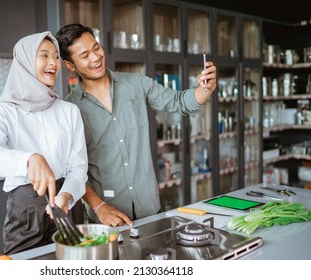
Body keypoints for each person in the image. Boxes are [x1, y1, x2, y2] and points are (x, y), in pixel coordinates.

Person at [56, 23, 217, 227]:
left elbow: (180, 102)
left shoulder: (135, 83)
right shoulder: (70, 109)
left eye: (96, 48)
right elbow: (74, 170)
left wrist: (206, 88)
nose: (96, 57)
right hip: (106, 220)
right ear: (70, 65)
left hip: (150, 209)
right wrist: (99, 207)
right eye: (84, 55)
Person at [0, 31, 88, 255]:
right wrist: (29, 160)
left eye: (56, 56)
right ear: (25, 61)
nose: (53, 62)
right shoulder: (3, 112)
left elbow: (78, 167)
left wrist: (66, 195)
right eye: (44, 55)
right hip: (26, 211)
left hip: (68, 204)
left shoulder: (69, 111)